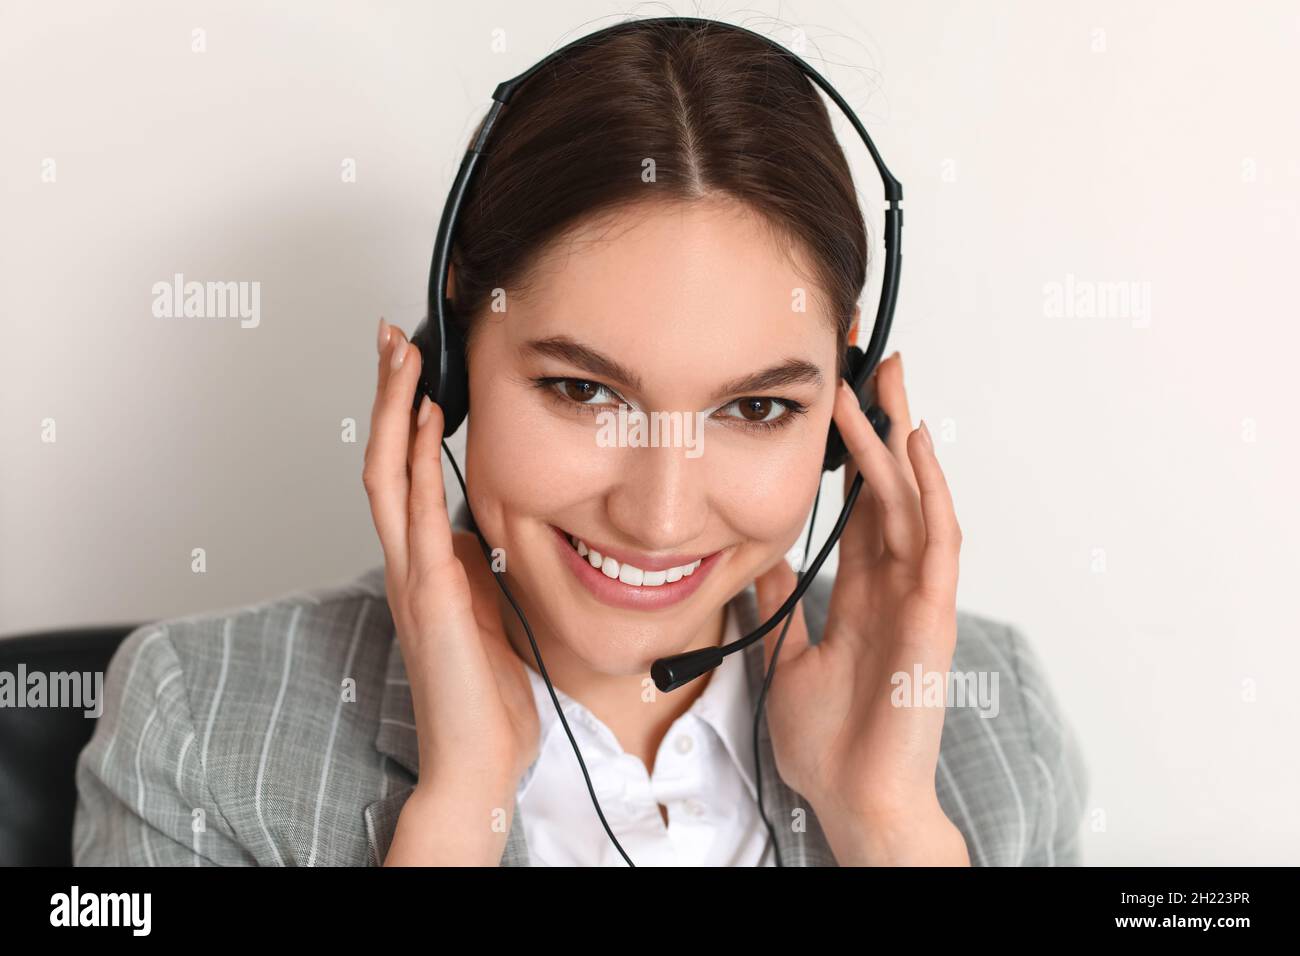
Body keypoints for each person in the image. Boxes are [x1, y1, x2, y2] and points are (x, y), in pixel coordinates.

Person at [72, 18, 1088, 867]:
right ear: (453, 360)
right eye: (583, 390)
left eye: (755, 408)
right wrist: (457, 812)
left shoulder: (994, 730)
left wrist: (889, 828)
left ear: (848, 411)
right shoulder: (201, 720)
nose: (659, 514)